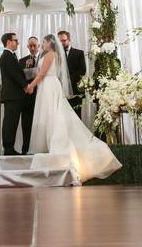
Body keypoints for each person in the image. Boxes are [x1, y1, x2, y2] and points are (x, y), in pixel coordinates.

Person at [26, 34, 121, 183]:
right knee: (49, 115)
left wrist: (31, 85)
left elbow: (43, 73)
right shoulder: (51, 54)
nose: (42, 44)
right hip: (47, 86)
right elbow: (39, 72)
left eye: (44, 42)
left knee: (52, 115)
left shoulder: (51, 54)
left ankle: (53, 142)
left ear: (50, 43)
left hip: (49, 86)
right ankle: (48, 142)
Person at [0, 33, 32, 155]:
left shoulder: (10, 56)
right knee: (10, 122)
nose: (18, 43)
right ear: (8, 42)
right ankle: (8, 149)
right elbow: (15, 74)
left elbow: (17, 72)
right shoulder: (6, 56)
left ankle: (10, 147)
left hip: (14, 96)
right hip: (12, 96)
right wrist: (26, 86)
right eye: (15, 40)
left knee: (12, 122)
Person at [57, 30, 86, 117]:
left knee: (76, 116)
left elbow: (82, 70)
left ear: (69, 40)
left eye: (64, 40)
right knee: (62, 117)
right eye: (60, 41)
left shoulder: (79, 53)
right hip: (61, 91)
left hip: (76, 91)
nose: (62, 43)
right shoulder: (55, 55)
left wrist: (68, 81)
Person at [19, 37, 39, 153]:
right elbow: (19, 79)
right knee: (26, 125)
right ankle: (25, 149)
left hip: (40, 96)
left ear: (39, 46)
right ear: (27, 47)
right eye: (30, 46)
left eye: (34, 45)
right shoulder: (22, 61)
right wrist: (26, 68)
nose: (32, 48)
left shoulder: (43, 59)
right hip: (27, 99)